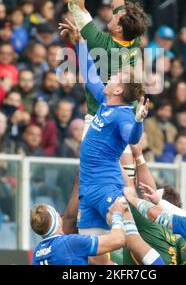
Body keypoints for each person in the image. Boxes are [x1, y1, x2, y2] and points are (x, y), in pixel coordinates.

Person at [58, 20, 148, 264]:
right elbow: (89, 73)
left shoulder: (124, 115)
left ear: (119, 90)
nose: (111, 76)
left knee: (129, 239)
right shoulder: (105, 102)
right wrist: (80, 43)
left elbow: (133, 138)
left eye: (117, 76)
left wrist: (139, 120)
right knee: (96, 259)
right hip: (89, 189)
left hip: (108, 186)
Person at [31, 199, 126, 265]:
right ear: (56, 219)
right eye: (57, 213)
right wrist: (117, 215)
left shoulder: (37, 252)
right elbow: (118, 240)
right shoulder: (70, 242)